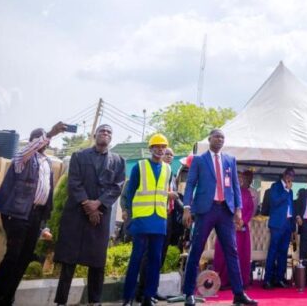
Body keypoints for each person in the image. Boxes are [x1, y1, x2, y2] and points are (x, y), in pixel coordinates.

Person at [0, 123, 67, 306]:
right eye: (38, 138)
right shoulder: (21, 158)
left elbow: (47, 191)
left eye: (44, 139)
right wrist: (49, 133)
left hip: (36, 216)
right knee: (13, 255)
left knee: (24, 258)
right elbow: (28, 151)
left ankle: (8, 298)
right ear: (32, 141)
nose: (43, 141)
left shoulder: (47, 162)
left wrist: (44, 221)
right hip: (17, 214)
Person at [182, 129, 257, 306]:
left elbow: (236, 187)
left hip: (225, 211)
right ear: (209, 139)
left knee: (232, 251)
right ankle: (188, 294)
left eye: (222, 137)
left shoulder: (230, 160)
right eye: (216, 136)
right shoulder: (200, 160)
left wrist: (238, 208)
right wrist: (187, 207)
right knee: (196, 250)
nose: (220, 139)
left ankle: (238, 293)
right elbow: (190, 183)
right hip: (205, 210)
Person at [54, 124, 125, 306]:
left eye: (109, 132)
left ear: (111, 138)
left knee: (97, 262)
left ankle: (95, 301)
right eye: (102, 131)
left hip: (100, 217)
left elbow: (117, 186)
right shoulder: (79, 156)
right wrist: (88, 205)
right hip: (76, 215)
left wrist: (98, 204)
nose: (105, 134)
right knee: (69, 261)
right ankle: (61, 301)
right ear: (95, 135)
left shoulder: (118, 161)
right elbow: (74, 183)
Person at [121, 134, 173, 306]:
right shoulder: (139, 166)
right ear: (150, 149)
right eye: (156, 146)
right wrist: (130, 214)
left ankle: (148, 296)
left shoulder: (168, 169)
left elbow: (164, 193)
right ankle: (127, 298)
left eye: (162, 146)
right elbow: (129, 193)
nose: (160, 149)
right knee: (136, 258)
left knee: (155, 260)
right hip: (142, 219)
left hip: (159, 219)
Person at [214, 169, 256, 289]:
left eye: (241, 178)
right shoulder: (224, 192)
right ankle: (223, 281)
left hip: (242, 229)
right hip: (227, 227)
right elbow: (221, 209)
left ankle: (240, 282)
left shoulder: (246, 192)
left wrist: (243, 221)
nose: (239, 180)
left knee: (241, 255)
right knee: (224, 253)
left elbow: (250, 209)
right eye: (237, 178)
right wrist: (232, 222)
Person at [262, 167, 295, 289]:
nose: (290, 177)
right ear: (284, 174)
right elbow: (274, 202)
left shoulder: (290, 191)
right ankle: (267, 280)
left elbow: (291, 207)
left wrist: (293, 225)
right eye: (288, 174)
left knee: (283, 252)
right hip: (277, 224)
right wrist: (286, 190)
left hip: (287, 224)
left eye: (292, 175)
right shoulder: (275, 186)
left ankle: (280, 278)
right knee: (273, 251)